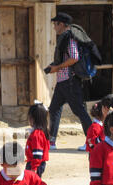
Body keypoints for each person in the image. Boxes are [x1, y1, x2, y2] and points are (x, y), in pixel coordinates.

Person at [46, 12, 92, 151]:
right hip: (63, 81)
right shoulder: (64, 38)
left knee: (80, 111)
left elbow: (74, 57)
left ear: (61, 24)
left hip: (70, 81)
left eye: (55, 24)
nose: (54, 27)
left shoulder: (70, 38)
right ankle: (52, 142)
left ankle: (92, 141)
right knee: (54, 109)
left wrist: (57, 67)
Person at [85, 101, 109, 185]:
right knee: (96, 173)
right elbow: (91, 142)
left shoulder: (100, 125)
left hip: (99, 153)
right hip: (95, 154)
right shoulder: (95, 127)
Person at [25, 103, 50, 177]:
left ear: (33, 119)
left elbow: (37, 153)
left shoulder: (37, 134)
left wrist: (34, 168)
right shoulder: (41, 132)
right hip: (36, 163)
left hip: (35, 164)